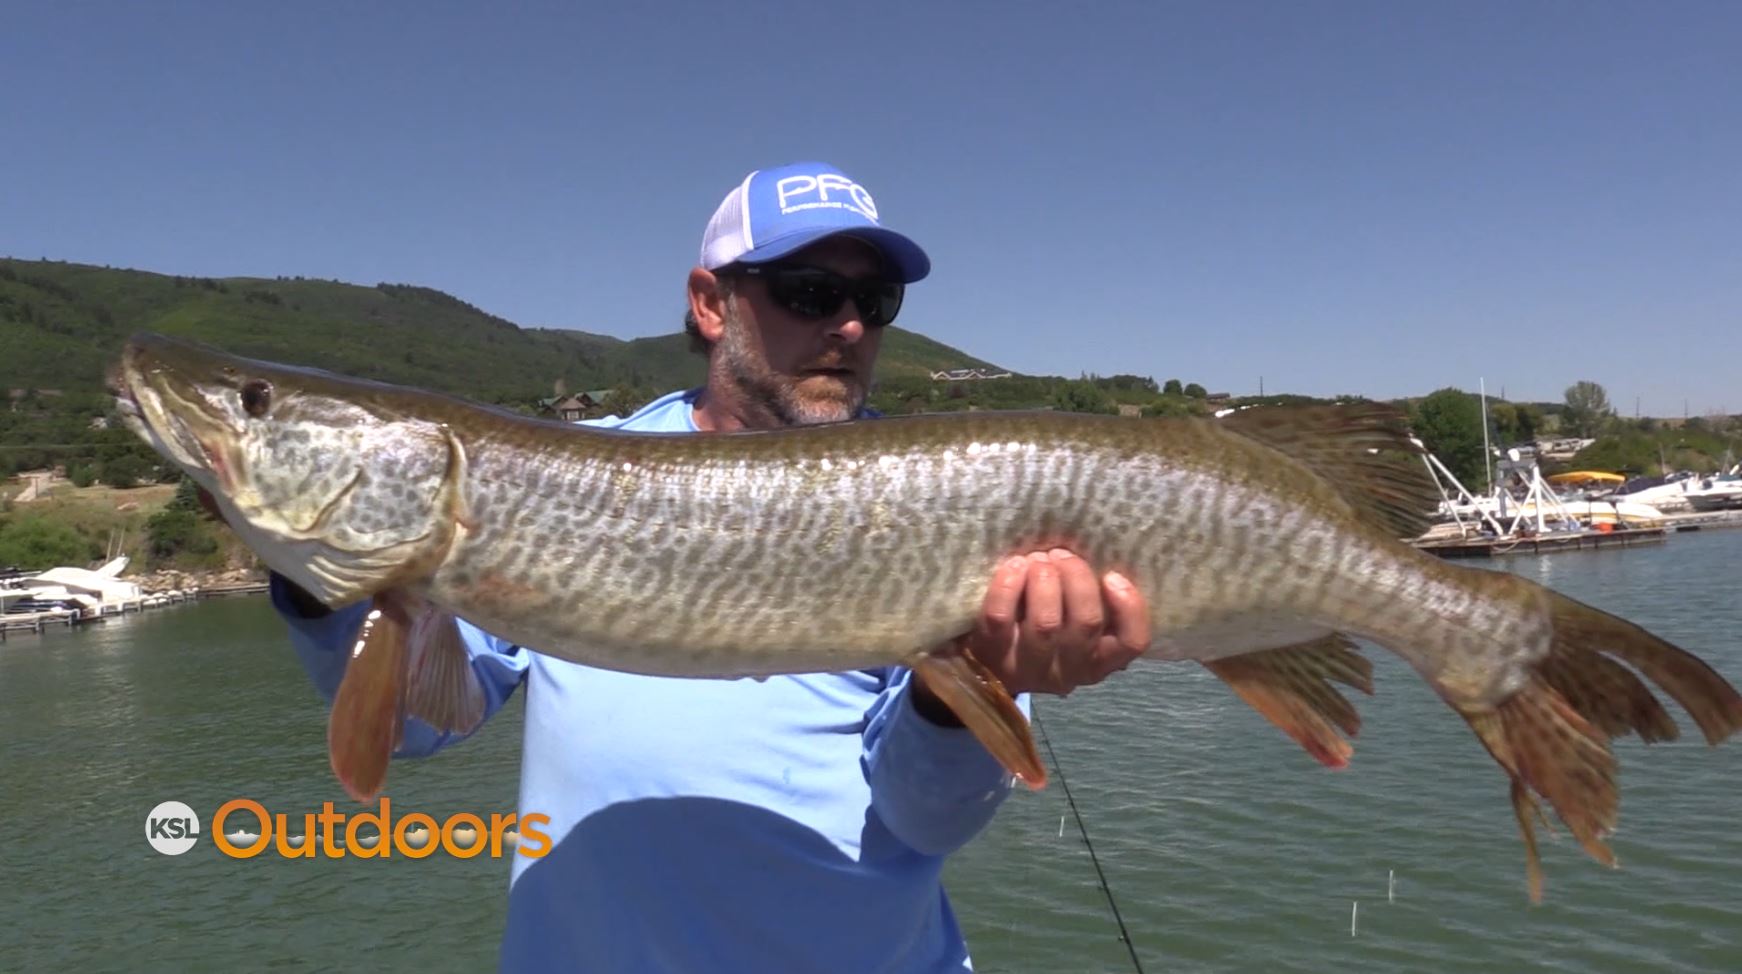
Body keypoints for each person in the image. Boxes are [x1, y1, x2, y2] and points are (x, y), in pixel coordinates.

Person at [263, 161, 1152, 973]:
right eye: (810, 292)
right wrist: (321, 575)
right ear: (711, 303)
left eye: (875, 301)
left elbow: (927, 821)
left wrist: (957, 695)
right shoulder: (574, 474)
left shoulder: (957, 502)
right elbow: (424, 723)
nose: (848, 323)